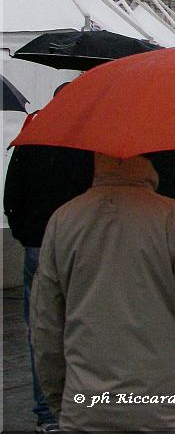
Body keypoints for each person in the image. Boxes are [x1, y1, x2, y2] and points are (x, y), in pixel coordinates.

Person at [29, 153, 175, 431]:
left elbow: (45, 329)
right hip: (173, 411)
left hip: (88, 410)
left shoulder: (62, 221)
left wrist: (62, 403)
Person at [4, 141, 94, 433]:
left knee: (41, 329)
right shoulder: (89, 147)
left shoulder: (31, 144)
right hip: (82, 246)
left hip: (38, 244)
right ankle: (88, 404)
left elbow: (12, 196)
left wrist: (26, 234)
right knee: (89, 325)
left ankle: (48, 413)